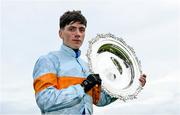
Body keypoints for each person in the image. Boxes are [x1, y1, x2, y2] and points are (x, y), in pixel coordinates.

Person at [32, 10, 146, 114]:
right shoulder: (48, 60)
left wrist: (126, 87)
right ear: (60, 33)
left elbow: (100, 100)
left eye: (81, 29)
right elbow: (45, 100)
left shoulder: (87, 66)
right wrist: (83, 87)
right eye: (72, 29)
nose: (78, 34)